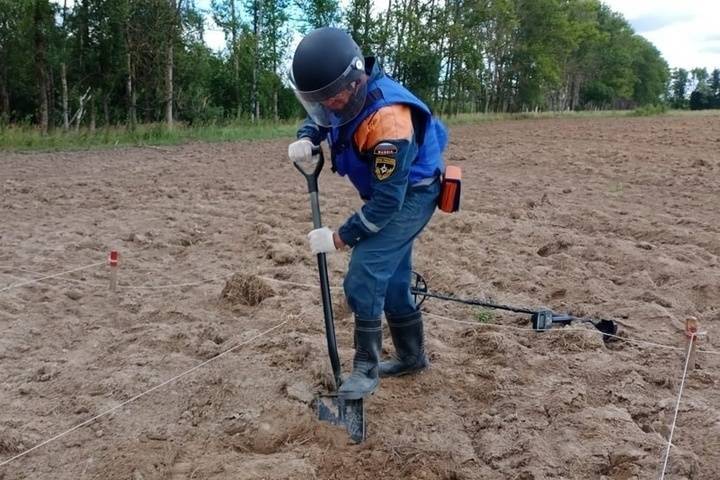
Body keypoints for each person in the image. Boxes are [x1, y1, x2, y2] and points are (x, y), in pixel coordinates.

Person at [287, 27, 448, 400]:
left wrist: (339, 237)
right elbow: (324, 118)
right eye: (318, 99)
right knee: (392, 279)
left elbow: (387, 203)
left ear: (354, 80)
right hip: (389, 193)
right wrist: (307, 136)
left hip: (413, 194)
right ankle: (411, 357)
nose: (327, 103)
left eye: (331, 96)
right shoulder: (341, 94)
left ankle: (365, 368)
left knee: (367, 267)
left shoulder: (389, 121)